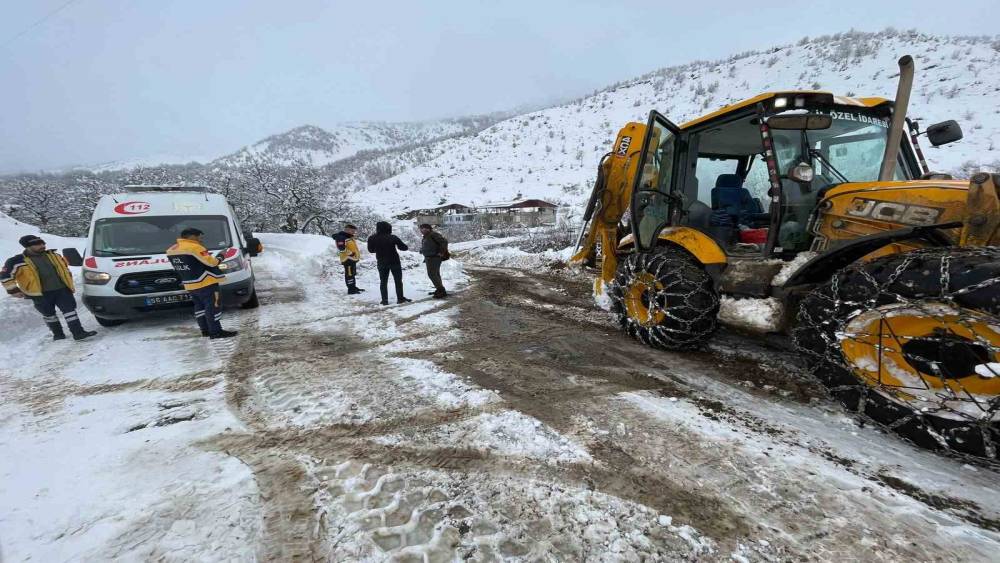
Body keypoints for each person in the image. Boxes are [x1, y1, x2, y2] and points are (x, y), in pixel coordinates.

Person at [2, 235, 98, 341]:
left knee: (70, 311)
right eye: (38, 244)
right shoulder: (16, 261)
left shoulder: (54, 255)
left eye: (43, 243)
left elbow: (64, 268)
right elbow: (5, 276)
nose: (42, 245)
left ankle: (78, 332)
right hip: (39, 293)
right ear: (28, 246)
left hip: (61, 289)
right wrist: (13, 290)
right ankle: (58, 334)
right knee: (49, 315)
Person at [166, 227, 238, 339]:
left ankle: (205, 330)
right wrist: (221, 256)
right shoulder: (195, 247)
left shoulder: (172, 249)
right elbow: (212, 263)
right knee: (212, 307)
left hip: (190, 284)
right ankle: (216, 331)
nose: (201, 239)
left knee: (199, 307)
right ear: (192, 236)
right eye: (200, 236)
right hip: (206, 283)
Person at [367, 221, 412, 306]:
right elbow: (404, 248)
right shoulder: (392, 237)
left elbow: (371, 250)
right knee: (398, 281)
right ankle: (400, 298)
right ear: (388, 228)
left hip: (381, 261)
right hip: (394, 261)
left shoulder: (372, 238)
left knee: (383, 281)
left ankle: (384, 300)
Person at [418, 224, 449, 298]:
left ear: (428, 229)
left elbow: (444, 242)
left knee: (432, 274)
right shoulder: (426, 236)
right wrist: (422, 250)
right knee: (435, 274)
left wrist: (441, 252)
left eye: (424, 228)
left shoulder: (433, 234)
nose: (422, 230)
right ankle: (439, 289)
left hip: (434, 257)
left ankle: (441, 290)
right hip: (429, 257)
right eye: (421, 229)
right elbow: (430, 245)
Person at [332, 224, 364, 295]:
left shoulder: (348, 237)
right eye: (352, 231)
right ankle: (351, 290)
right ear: (347, 230)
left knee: (352, 274)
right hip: (347, 259)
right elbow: (341, 248)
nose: (354, 232)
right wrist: (350, 253)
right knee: (349, 274)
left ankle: (353, 287)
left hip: (352, 259)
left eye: (354, 231)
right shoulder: (341, 237)